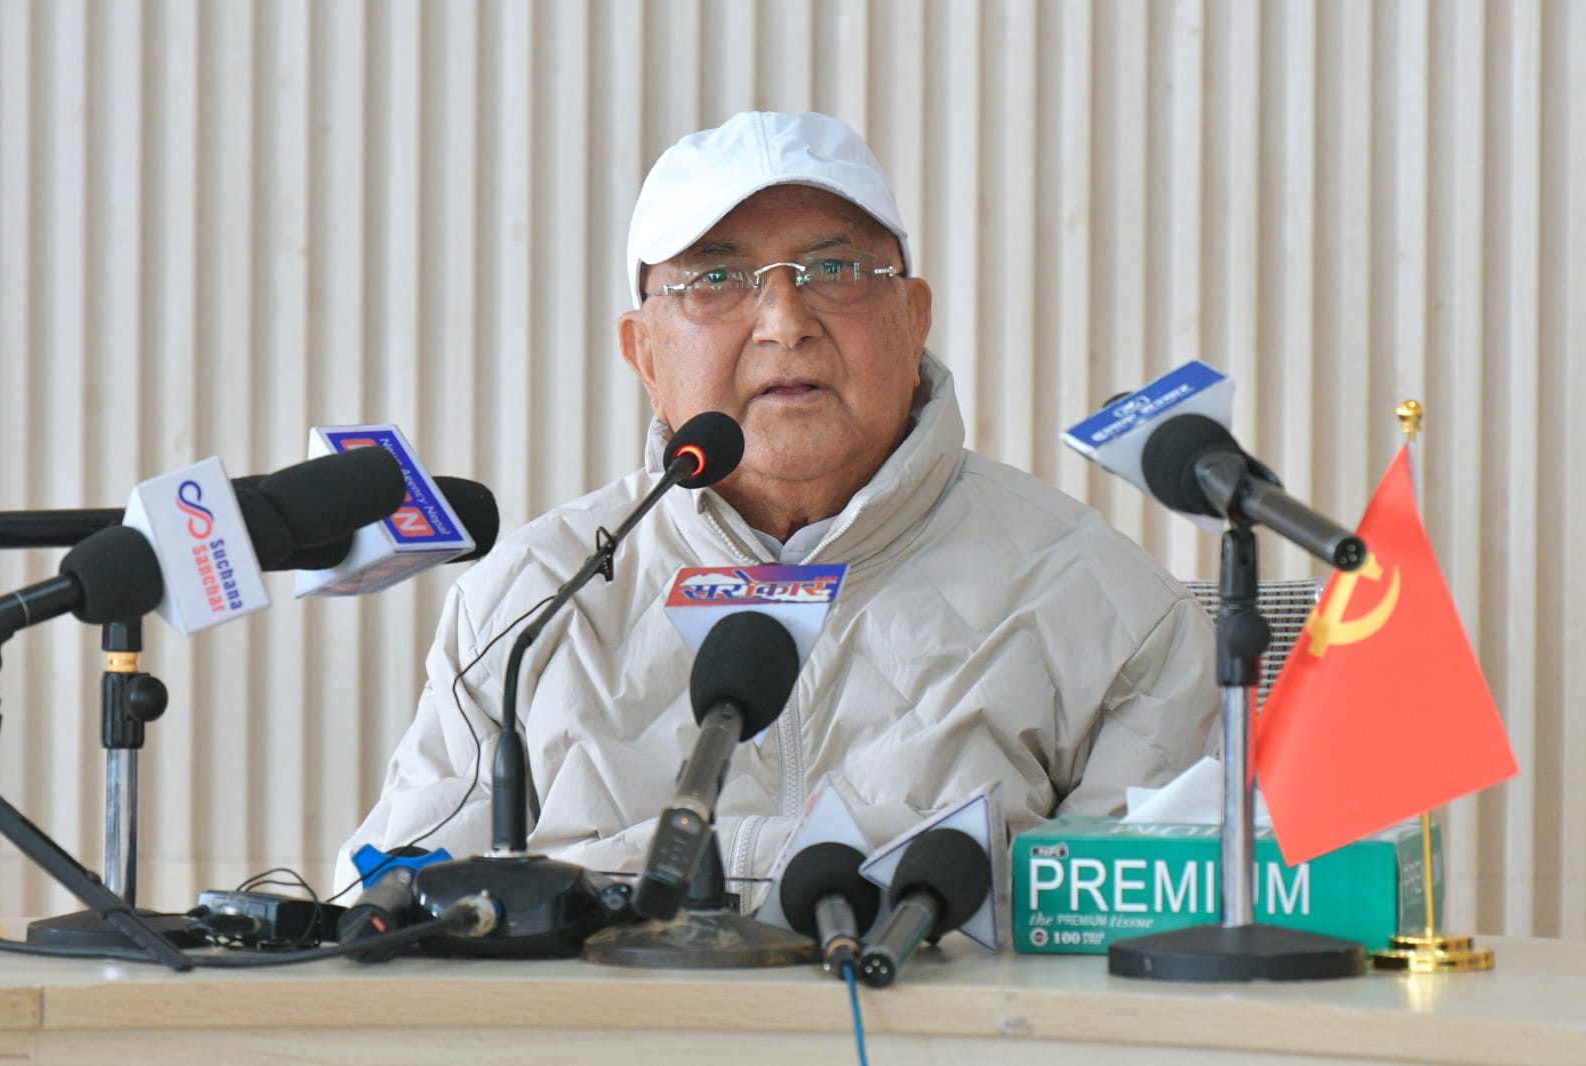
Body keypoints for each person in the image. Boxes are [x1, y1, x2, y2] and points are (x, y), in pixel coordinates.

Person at [336, 111, 1217, 903]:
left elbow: (1150, 935)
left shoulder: (1109, 606)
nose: (784, 321)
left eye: (834, 269)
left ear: (913, 320)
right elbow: (390, 906)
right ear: (645, 355)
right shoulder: (528, 603)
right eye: (717, 279)